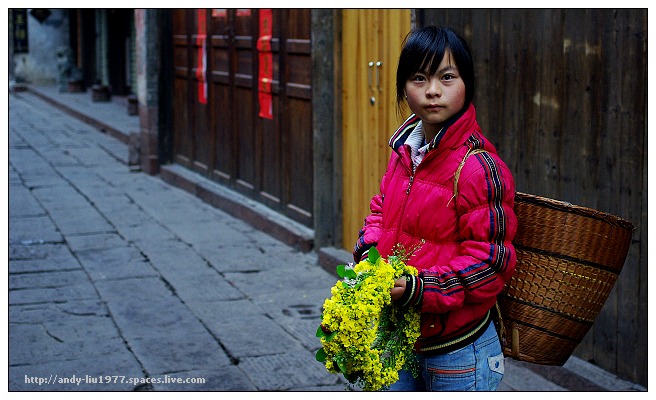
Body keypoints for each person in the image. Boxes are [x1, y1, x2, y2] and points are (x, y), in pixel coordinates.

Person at [352, 25, 517, 391]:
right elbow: (381, 210)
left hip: (458, 350)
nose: (432, 91)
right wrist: (369, 251)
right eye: (418, 78)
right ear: (403, 88)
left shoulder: (479, 169)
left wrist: (417, 288)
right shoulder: (405, 152)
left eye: (447, 77)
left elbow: (489, 264)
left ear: (466, 84)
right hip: (402, 338)